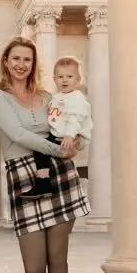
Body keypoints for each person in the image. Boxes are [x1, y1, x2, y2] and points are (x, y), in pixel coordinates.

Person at [0, 36, 89, 273]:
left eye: (27, 60)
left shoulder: (49, 97)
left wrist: (75, 146)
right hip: (23, 177)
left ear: (34, 64)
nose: (21, 64)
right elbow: (17, 135)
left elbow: (72, 126)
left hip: (59, 176)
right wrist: (57, 148)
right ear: (6, 62)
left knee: (57, 258)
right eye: (15, 58)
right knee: (34, 268)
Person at [20, 56, 93, 199]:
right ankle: (45, 181)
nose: (64, 80)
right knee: (40, 147)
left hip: (74, 135)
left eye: (69, 76)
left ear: (78, 79)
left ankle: (43, 182)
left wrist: (70, 135)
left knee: (40, 148)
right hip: (60, 134)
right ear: (54, 79)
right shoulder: (57, 97)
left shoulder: (76, 99)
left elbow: (75, 118)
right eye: (60, 76)